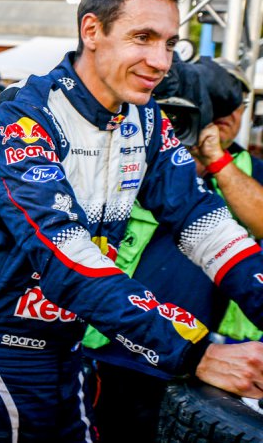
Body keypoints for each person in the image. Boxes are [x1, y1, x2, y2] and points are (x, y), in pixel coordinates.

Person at [0, 0, 263, 442]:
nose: (161, 62)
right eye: (143, 37)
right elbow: (68, 260)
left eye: (168, 43)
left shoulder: (145, 119)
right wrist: (195, 352)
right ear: (92, 31)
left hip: (69, 353)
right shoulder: (26, 118)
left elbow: (203, 222)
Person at [85, 57, 263, 441]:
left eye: (236, 103)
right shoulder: (133, 150)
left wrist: (215, 159)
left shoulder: (246, 168)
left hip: (204, 354)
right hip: (115, 342)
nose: (228, 114)